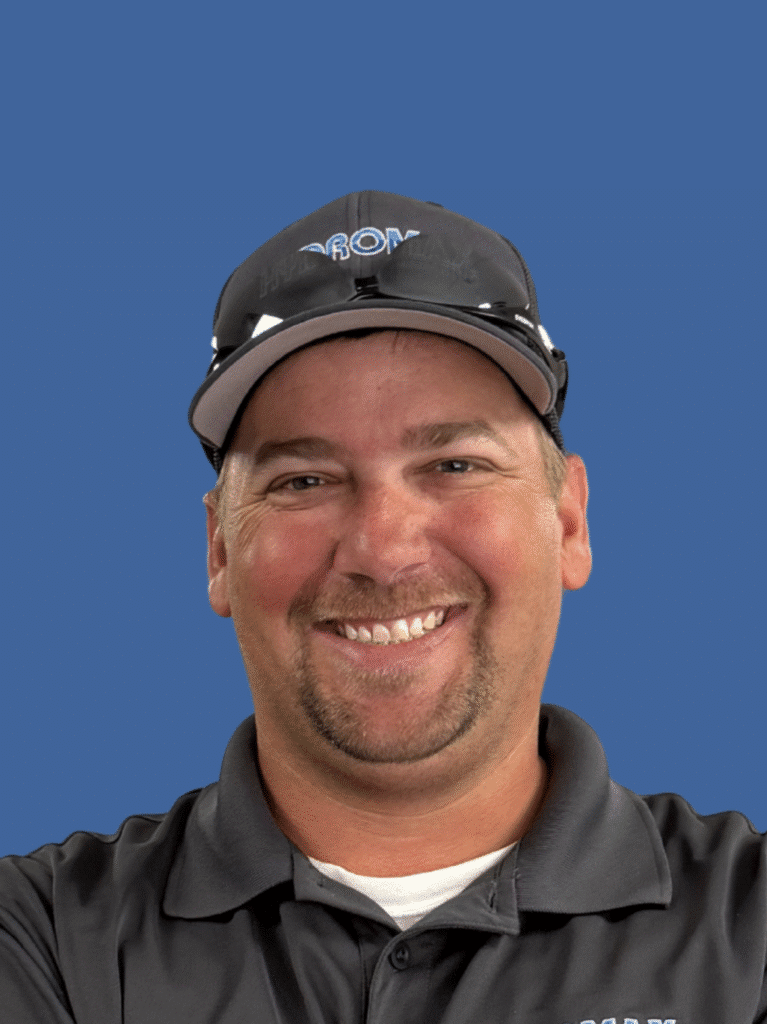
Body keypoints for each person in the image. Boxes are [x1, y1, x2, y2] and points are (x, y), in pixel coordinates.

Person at [1, 191, 765, 1023]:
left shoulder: (750, 930)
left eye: (454, 465)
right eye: (303, 481)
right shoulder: (42, 938)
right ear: (219, 550)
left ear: (569, 522)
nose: (382, 548)